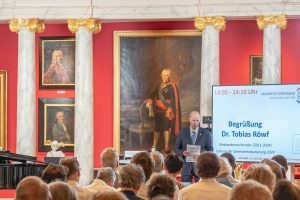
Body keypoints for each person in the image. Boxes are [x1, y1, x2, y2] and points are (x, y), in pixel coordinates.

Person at [146, 69, 180, 154]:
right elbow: (152, 94)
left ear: (169, 76)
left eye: (167, 75)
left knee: (166, 128)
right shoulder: (158, 85)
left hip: (167, 111)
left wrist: (170, 108)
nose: (165, 77)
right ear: (161, 76)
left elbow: (173, 99)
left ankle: (166, 146)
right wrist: (150, 100)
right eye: (163, 75)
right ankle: (154, 146)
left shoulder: (172, 86)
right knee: (157, 128)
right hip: (158, 110)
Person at [174, 111, 213, 182]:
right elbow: (176, 148)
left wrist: (202, 156)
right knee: (185, 190)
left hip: (200, 168)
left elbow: (210, 150)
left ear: (200, 120)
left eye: (197, 120)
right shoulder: (182, 132)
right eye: (193, 120)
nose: (195, 122)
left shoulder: (206, 133)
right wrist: (183, 153)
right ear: (189, 119)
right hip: (186, 168)